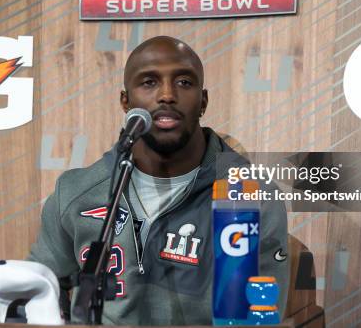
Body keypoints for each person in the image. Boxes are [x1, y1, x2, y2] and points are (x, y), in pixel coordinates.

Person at [28, 36, 288, 325]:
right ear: (126, 102)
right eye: (149, 82)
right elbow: (39, 294)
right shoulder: (76, 192)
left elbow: (258, 315)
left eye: (184, 83)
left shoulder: (252, 197)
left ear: (203, 101)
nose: (167, 95)